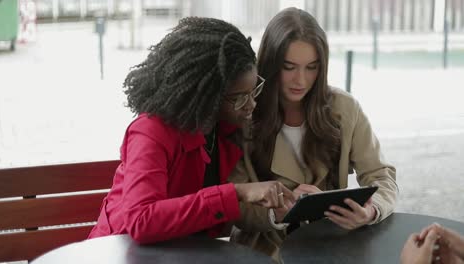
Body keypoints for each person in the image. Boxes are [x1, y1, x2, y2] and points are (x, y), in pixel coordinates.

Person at [88, 17, 295, 244]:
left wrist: (283, 208)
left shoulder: (226, 130)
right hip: (118, 251)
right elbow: (141, 220)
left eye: (253, 90)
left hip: (182, 254)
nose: (251, 104)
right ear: (206, 94)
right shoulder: (150, 131)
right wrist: (237, 192)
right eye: (238, 98)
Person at [228, 7, 398, 262]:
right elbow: (232, 198)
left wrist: (370, 210)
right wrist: (281, 212)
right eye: (289, 67)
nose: (301, 80)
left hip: (329, 245)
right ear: (271, 63)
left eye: (312, 67)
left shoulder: (344, 109)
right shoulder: (244, 113)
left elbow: (381, 175)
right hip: (262, 250)